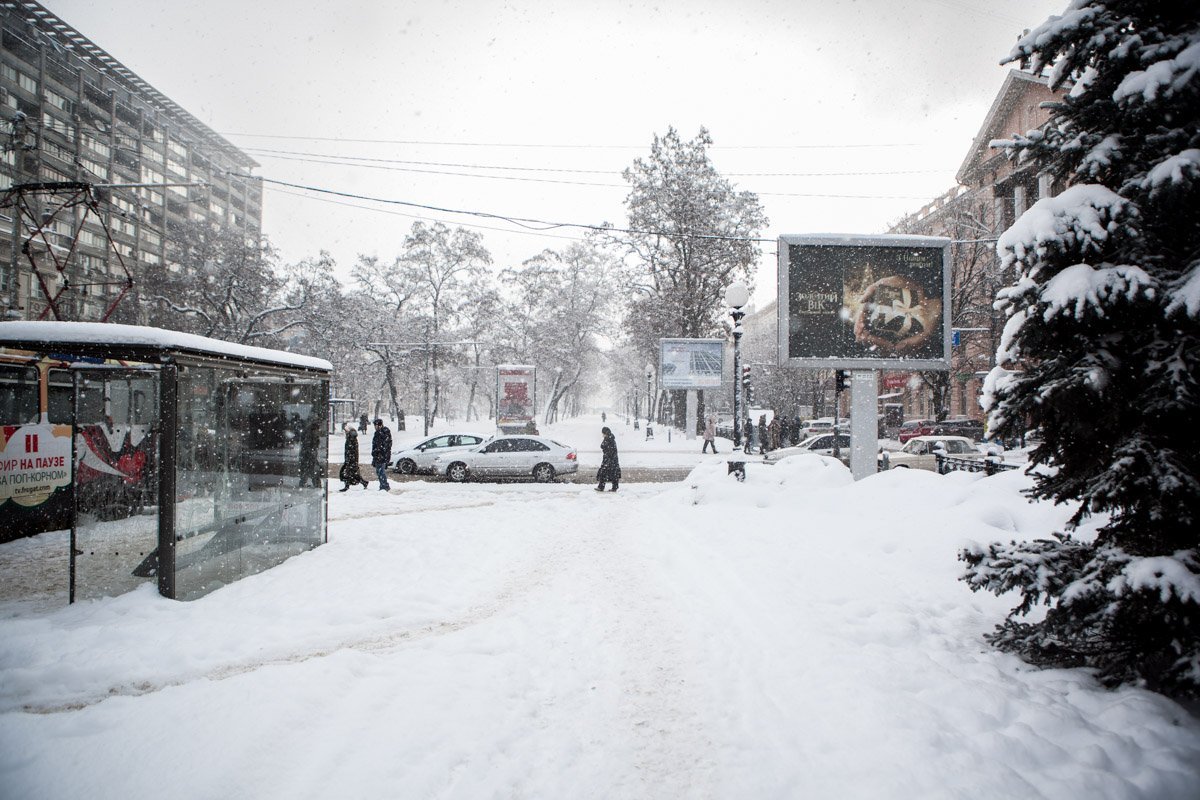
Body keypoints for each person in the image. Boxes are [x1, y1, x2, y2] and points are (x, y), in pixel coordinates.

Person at [338, 423, 370, 491]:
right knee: (351, 473)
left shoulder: (351, 438)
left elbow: (351, 450)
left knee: (348, 473)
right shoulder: (351, 437)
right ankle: (363, 483)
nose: (345, 432)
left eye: (346, 431)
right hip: (351, 459)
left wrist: (349, 458)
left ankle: (350, 486)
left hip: (351, 459)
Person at [297, 417, 323, 488]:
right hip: (308, 457)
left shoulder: (311, 434)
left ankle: (305, 484)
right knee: (312, 472)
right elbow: (308, 447)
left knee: (307, 472)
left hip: (308, 456)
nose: (319, 431)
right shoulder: (309, 435)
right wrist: (312, 454)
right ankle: (316, 485)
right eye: (318, 429)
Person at [596, 426, 620, 492]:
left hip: (610, 459)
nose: (602, 435)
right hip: (609, 459)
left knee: (610, 473)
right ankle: (602, 487)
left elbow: (609, 450)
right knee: (608, 473)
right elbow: (602, 446)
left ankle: (611, 487)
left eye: (603, 433)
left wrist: (609, 458)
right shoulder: (608, 438)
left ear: (605, 433)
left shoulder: (610, 439)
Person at [371, 418, 392, 490]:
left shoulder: (383, 432)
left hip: (381, 455)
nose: (375, 427)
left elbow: (385, 444)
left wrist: (378, 452)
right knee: (379, 471)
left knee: (381, 472)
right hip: (379, 455)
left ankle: (384, 486)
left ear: (379, 425)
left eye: (375, 425)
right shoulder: (379, 432)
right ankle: (383, 485)